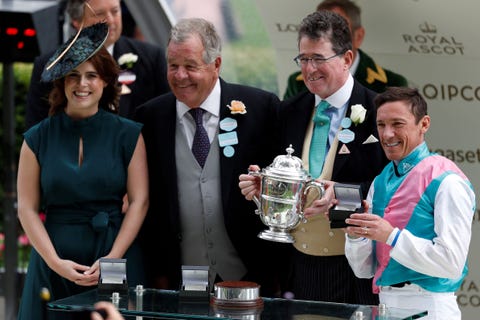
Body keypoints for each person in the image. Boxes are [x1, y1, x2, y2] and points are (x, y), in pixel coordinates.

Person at [239, 10, 388, 304]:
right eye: (303, 59)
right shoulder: (288, 111)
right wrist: (262, 185)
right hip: (300, 267)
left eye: (319, 58)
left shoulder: (377, 111)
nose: (309, 69)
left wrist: (343, 194)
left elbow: (394, 185)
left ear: (346, 59)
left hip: (359, 267)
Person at [134, 17, 282, 296]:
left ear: (216, 65)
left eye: (190, 66)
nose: (179, 76)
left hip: (251, 277)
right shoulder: (149, 118)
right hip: (177, 281)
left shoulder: (261, 109)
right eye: (173, 66)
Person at [17, 22, 148, 320]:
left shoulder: (129, 135)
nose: (82, 84)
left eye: (92, 76)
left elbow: (140, 202)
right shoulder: (37, 138)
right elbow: (25, 208)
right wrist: (54, 261)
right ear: (62, 83)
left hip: (116, 258)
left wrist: (113, 258)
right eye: (73, 76)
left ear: (105, 82)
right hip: (53, 263)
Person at [344, 87, 475, 319]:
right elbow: (364, 270)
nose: (386, 134)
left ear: (424, 124)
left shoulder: (448, 180)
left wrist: (391, 236)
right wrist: (355, 235)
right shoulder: (381, 181)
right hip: (384, 304)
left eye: (397, 124)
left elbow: (451, 263)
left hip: (430, 307)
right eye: (381, 125)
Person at [26, 0, 169, 128]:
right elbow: (36, 130)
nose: (111, 21)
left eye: (115, 11)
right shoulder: (49, 66)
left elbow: (165, 120)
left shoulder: (151, 58)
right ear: (77, 21)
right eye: (100, 14)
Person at [283, 0, 408, 99]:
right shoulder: (298, 84)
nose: (326, 36)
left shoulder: (392, 86)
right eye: (318, 29)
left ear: (358, 36)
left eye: (338, 30)